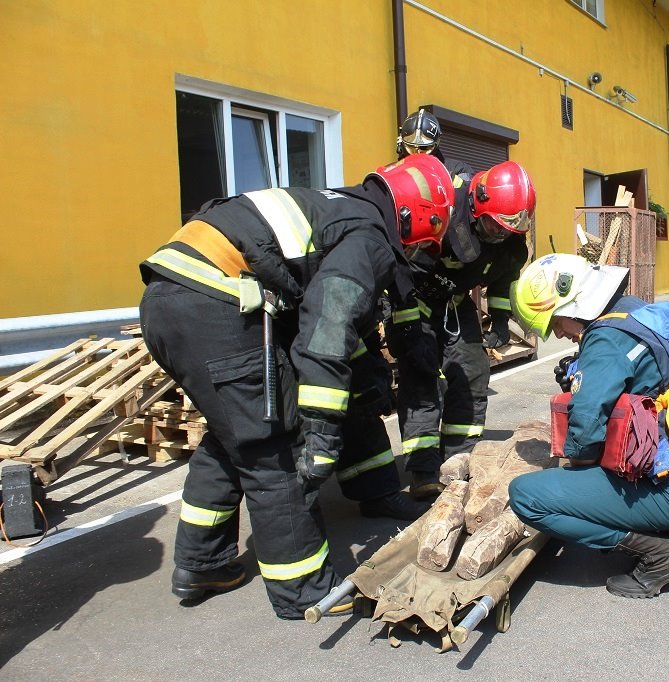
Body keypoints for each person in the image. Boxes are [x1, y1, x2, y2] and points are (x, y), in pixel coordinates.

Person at [138, 154, 455, 619]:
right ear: (418, 217)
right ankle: (302, 588)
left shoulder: (340, 208)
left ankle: (203, 562)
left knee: (235, 438)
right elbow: (328, 324)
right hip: (216, 303)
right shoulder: (368, 235)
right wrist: (322, 431)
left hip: (172, 298)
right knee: (274, 447)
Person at [507, 254, 669, 599]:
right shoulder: (636, 311)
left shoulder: (606, 339)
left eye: (555, 320)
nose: (557, 332)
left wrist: (576, 475)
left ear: (573, 301)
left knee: (526, 495)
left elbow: (585, 430)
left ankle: (660, 554)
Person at [386, 161, 536, 499]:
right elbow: (400, 269)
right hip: (413, 299)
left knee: (472, 371)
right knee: (420, 374)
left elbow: (502, 281)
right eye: (495, 227)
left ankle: (458, 457)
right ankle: (423, 470)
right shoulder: (445, 210)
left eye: (508, 230)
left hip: (454, 302)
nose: (500, 235)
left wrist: (499, 320)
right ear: (477, 204)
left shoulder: (509, 240)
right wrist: (408, 327)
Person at [396, 108, 474, 178]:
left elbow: (464, 190)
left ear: (436, 143)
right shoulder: (390, 175)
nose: (418, 152)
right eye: (411, 147)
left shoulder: (457, 171)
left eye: (424, 148)